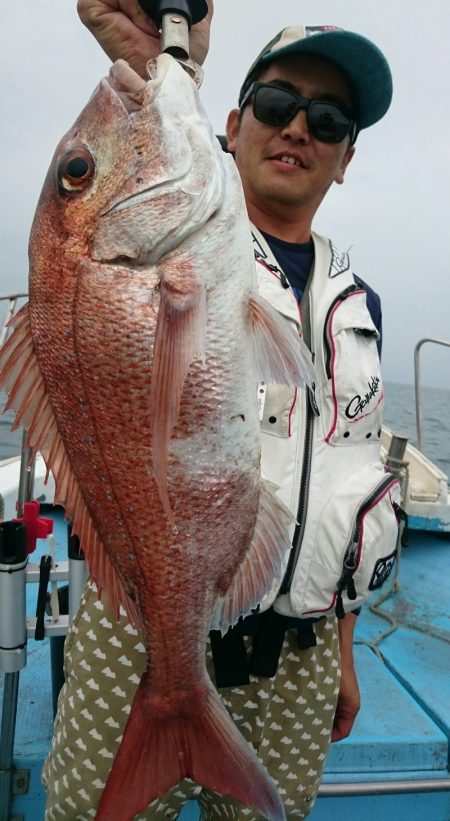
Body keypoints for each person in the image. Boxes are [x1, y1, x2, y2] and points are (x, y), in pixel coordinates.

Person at [43, 3, 398, 819]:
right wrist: (170, 65)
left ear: (345, 158)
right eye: (276, 104)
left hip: (299, 655)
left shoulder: (358, 306)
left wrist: (343, 648)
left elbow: (348, 482)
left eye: (329, 120)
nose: (298, 127)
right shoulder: (193, 247)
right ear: (231, 128)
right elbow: (153, 162)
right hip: (140, 631)